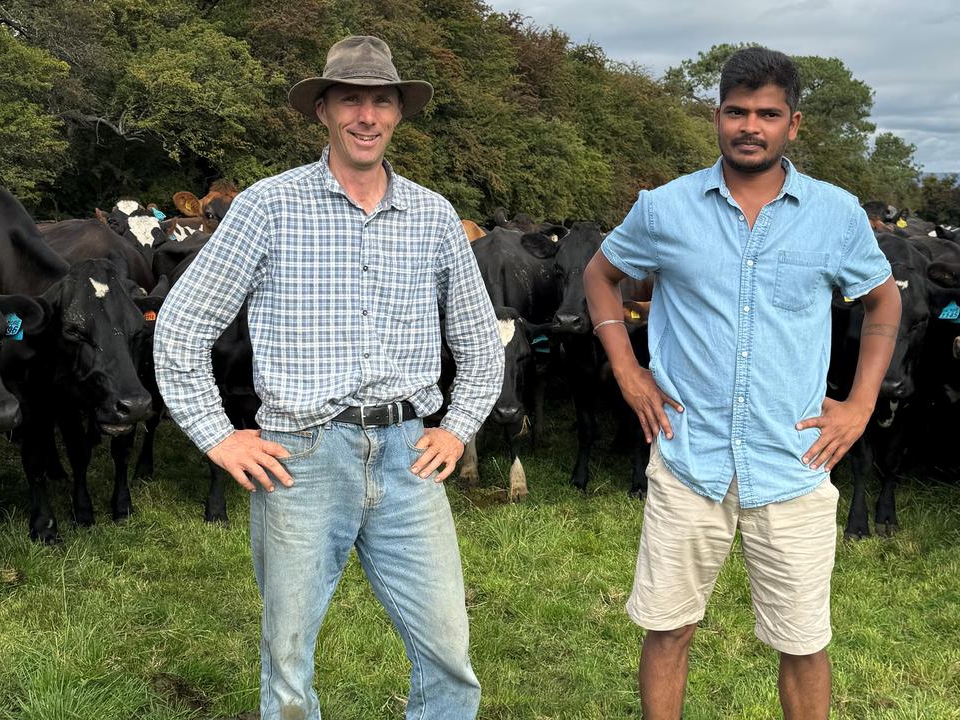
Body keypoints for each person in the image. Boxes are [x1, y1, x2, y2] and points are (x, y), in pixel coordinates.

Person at [153, 35, 502, 720]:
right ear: (323, 111)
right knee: (288, 665)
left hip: (409, 458)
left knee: (450, 660)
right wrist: (217, 437)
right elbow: (180, 326)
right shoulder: (267, 206)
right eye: (350, 99)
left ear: (399, 112)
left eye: (381, 100)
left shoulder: (432, 216)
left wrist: (457, 429)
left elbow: (480, 344)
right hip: (302, 458)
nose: (366, 116)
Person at [583, 46, 901, 719]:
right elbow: (599, 276)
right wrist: (628, 370)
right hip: (687, 456)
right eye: (736, 111)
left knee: (804, 642)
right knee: (669, 629)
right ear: (716, 116)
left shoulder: (837, 214)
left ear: (794, 124)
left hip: (793, 459)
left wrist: (860, 405)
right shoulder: (665, 208)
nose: (749, 126)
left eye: (767, 113)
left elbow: (883, 302)